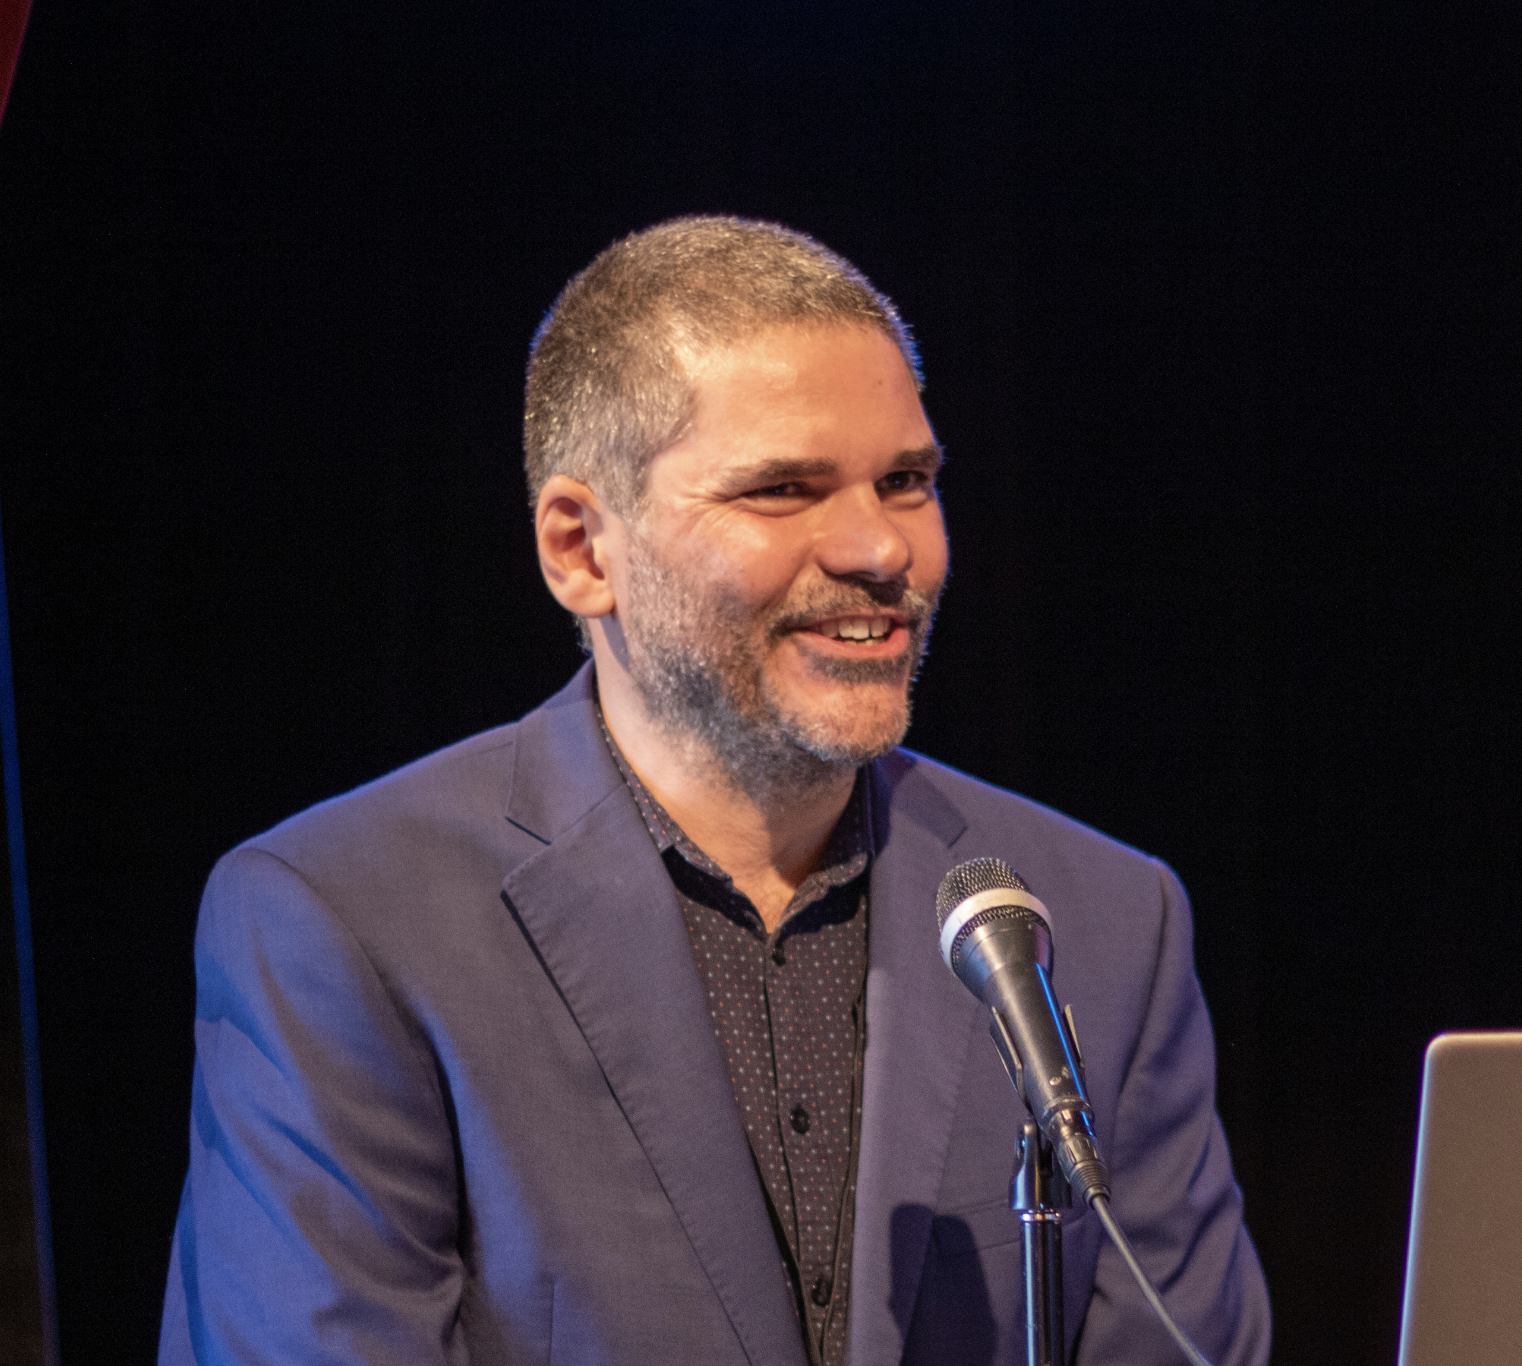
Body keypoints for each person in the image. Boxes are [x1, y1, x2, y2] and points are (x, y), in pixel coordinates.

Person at [159, 216, 1270, 1366]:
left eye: (906, 480)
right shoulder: (343, 920)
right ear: (582, 550)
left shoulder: (1099, 918)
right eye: (784, 489)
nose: (880, 548)